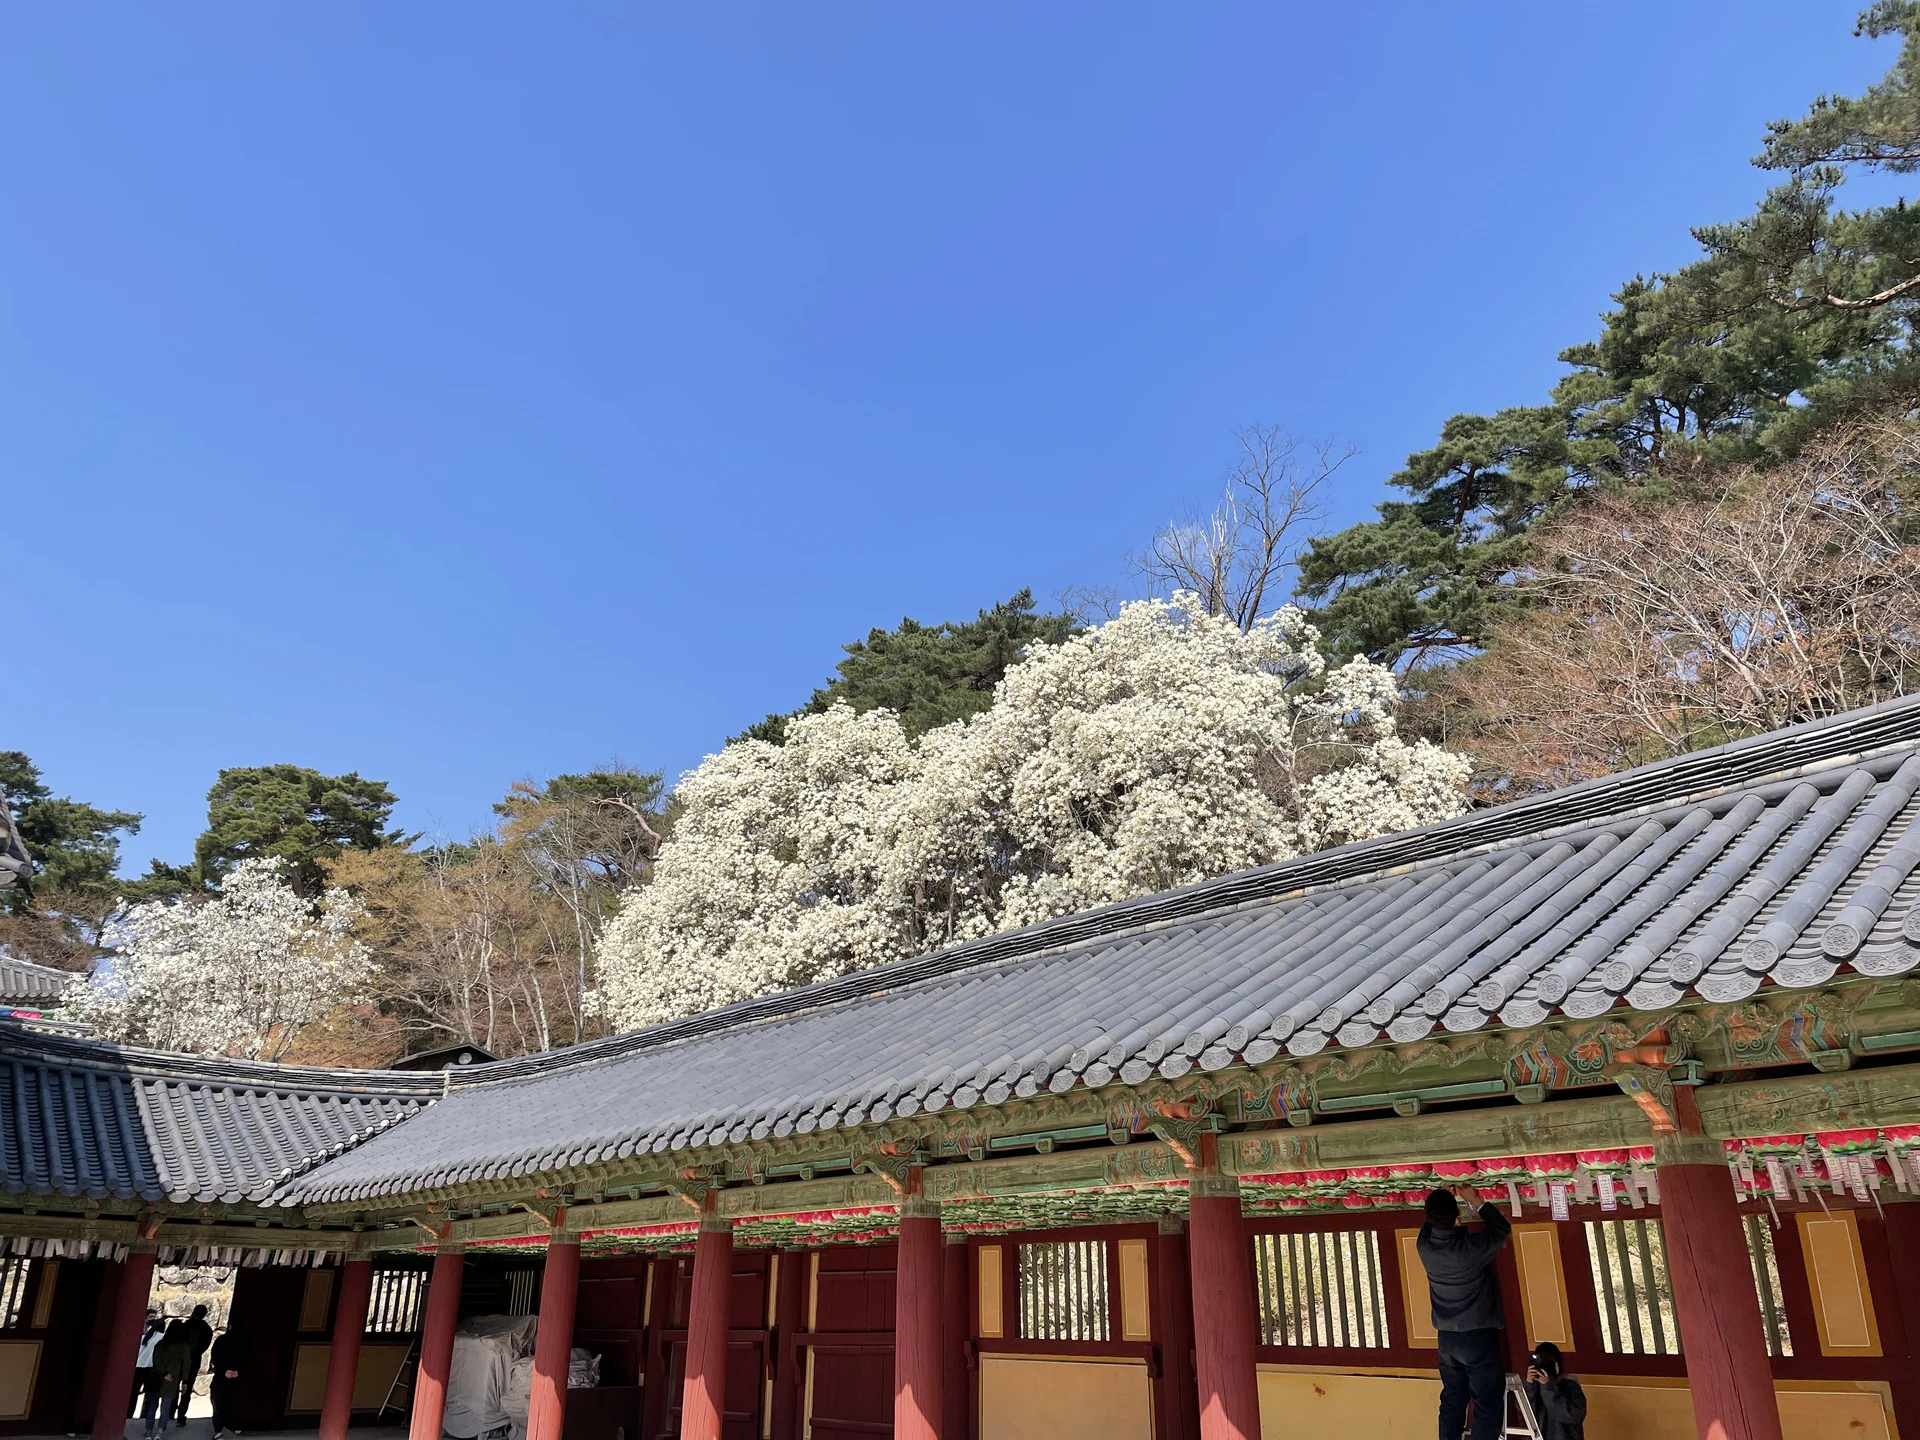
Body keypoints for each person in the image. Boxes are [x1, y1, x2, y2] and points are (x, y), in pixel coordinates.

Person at [1416, 1184, 1512, 1440]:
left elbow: (1430, 1225)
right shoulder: (1468, 1249)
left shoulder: (1425, 1248)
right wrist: (1476, 1200)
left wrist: (1443, 1205)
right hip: (1477, 1335)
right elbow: (1501, 1229)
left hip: (1447, 1338)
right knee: (1486, 1402)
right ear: (1457, 1219)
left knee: (1453, 1399)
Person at [1523, 1342, 1587, 1440]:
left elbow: (1572, 1415)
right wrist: (1529, 1385)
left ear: (1557, 1364)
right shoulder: (1534, 1385)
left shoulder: (1570, 1385)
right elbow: (1525, 1410)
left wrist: (1548, 1387)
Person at [208, 1326, 250, 1440]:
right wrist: (239, 1371)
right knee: (235, 1402)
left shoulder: (221, 1340)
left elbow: (215, 1357)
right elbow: (248, 1359)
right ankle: (236, 1425)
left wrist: (223, 1371)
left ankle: (218, 1431)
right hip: (237, 1377)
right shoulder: (244, 1342)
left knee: (218, 1404)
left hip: (221, 1377)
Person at [132, 1313, 167, 1421]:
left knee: (133, 1393)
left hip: (138, 1366)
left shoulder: (145, 1337)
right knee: (150, 1394)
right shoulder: (162, 1338)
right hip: (151, 1368)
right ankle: (145, 1415)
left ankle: (129, 1413)